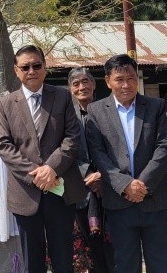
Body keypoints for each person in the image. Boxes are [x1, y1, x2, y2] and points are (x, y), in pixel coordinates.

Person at [0, 45, 86, 273]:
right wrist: (36, 174)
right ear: (16, 71)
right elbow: (4, 145)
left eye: (37, 65)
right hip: (26, 193)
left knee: (63, 258)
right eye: (25, 67)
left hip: (61, 189)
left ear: (45, 68)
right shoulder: (6, 104)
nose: (31, 71)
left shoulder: (63, 96)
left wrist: (51, 169)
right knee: (32, 262)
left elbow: (72, 138)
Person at [84, 54, 167, 273]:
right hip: (119, 203)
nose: (126, 84)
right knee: (125, 265)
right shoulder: (95, 111)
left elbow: (164, 147)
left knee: (160, 265)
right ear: (107, 81)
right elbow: (99, 154)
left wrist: (142, 184)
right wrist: (125, 185)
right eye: (119, 79)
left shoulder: (156, 106)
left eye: (131, 78)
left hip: (155, 202)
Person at [67, 67, 114, 273]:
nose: (81, 87)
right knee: (90, 250)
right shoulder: (67, 117)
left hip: (112, 188)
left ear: (94, 84)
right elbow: (64, 153)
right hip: (82, 192)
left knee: (115, 248)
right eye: (75, 83)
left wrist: (103, 175)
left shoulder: (109, 112)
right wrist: (87, 175)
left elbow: (121, 150)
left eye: (85, 81)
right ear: (70, 89)